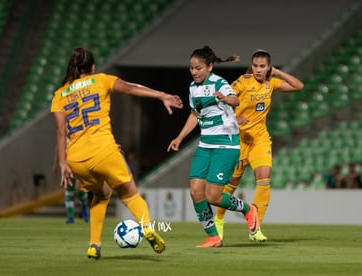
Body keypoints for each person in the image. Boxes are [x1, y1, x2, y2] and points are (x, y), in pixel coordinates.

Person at [50, 47, 183, 259]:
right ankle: (147, 227)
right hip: (104, 149)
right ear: (92, 67)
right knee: (130, 192)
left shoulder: (60, 95)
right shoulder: (101, 80)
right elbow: (130, 88)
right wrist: (161, 95)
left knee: (101, 194)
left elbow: (60, 130)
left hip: (77, 158)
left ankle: (94, 244)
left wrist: (63, 163)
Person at [167, 46, 259, 248]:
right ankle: (213, 237)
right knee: (195, 192)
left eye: (198, 68)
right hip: (205, 145)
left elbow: (235, 99)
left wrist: (226, 99)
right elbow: (194, 114)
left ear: (209, 67)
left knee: (213, 196)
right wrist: (180, 137)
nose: (194, 72)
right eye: (192, 68)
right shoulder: (193, 87)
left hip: (225, 145)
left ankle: (248, 209)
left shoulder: (219, 82)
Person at [214, 49, 304, 242]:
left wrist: (278, 72)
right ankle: (219, 219)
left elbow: (299, 86)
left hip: (260, 140)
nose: (258, 70)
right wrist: (234, 117)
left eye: (262, 66)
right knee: (232, 184)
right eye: (255, 65)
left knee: (264, 180)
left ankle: (255, 227)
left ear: (268, 67)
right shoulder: (242, 82)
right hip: (239, 140)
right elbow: (219, 100)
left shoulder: (271, 82)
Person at [53, 148, 91, 224]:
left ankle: (84, 208)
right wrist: (56, 163)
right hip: (67, 164)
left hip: (78, 163)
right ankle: (70, 217)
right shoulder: (63, 137)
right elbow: (59, 148)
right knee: (69, 189)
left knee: (80, 189)